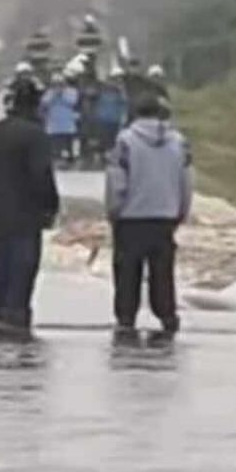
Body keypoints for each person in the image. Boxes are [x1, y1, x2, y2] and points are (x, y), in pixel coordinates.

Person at [0, 77, 60, 335]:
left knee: (1, 268)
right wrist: (49, 207)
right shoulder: (36, 136)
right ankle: (17, 317)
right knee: (23, 268)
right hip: (28, 215)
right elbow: (42, 175)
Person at [105, 92, 193, 339]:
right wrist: (181, 212)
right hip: (165, 217)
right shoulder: (179, 142)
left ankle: (126, 319)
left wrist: (114, 211)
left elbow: (117, 181)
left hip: (131, 218)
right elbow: (186, 181)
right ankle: (167, 316)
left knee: (127, 273)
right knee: (163, 273)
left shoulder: (125, 141)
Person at [41, 71, 80, 168]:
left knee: (68, 144)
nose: (58, 85)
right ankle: (57, 160)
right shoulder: (49, 92)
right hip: (54, 124)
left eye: (60, 83)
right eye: (56, 83)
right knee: (55, 145)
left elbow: (72, 102)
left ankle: (70, 161)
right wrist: (54, 95)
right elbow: (45, 103)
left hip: (67, 123)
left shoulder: (72, 91)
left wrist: (61, 95)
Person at [95, 76, 128, 156]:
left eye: (113, 82)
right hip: (104, 120)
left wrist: (122, 89)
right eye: (109, 82)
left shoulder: (118, 94)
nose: (111, 84)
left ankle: (113, 154)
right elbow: (98, 106)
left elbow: (124, 103)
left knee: (114, 138)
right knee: (106, 138)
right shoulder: (102, 93)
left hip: (115, 120)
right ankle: (107, 153)